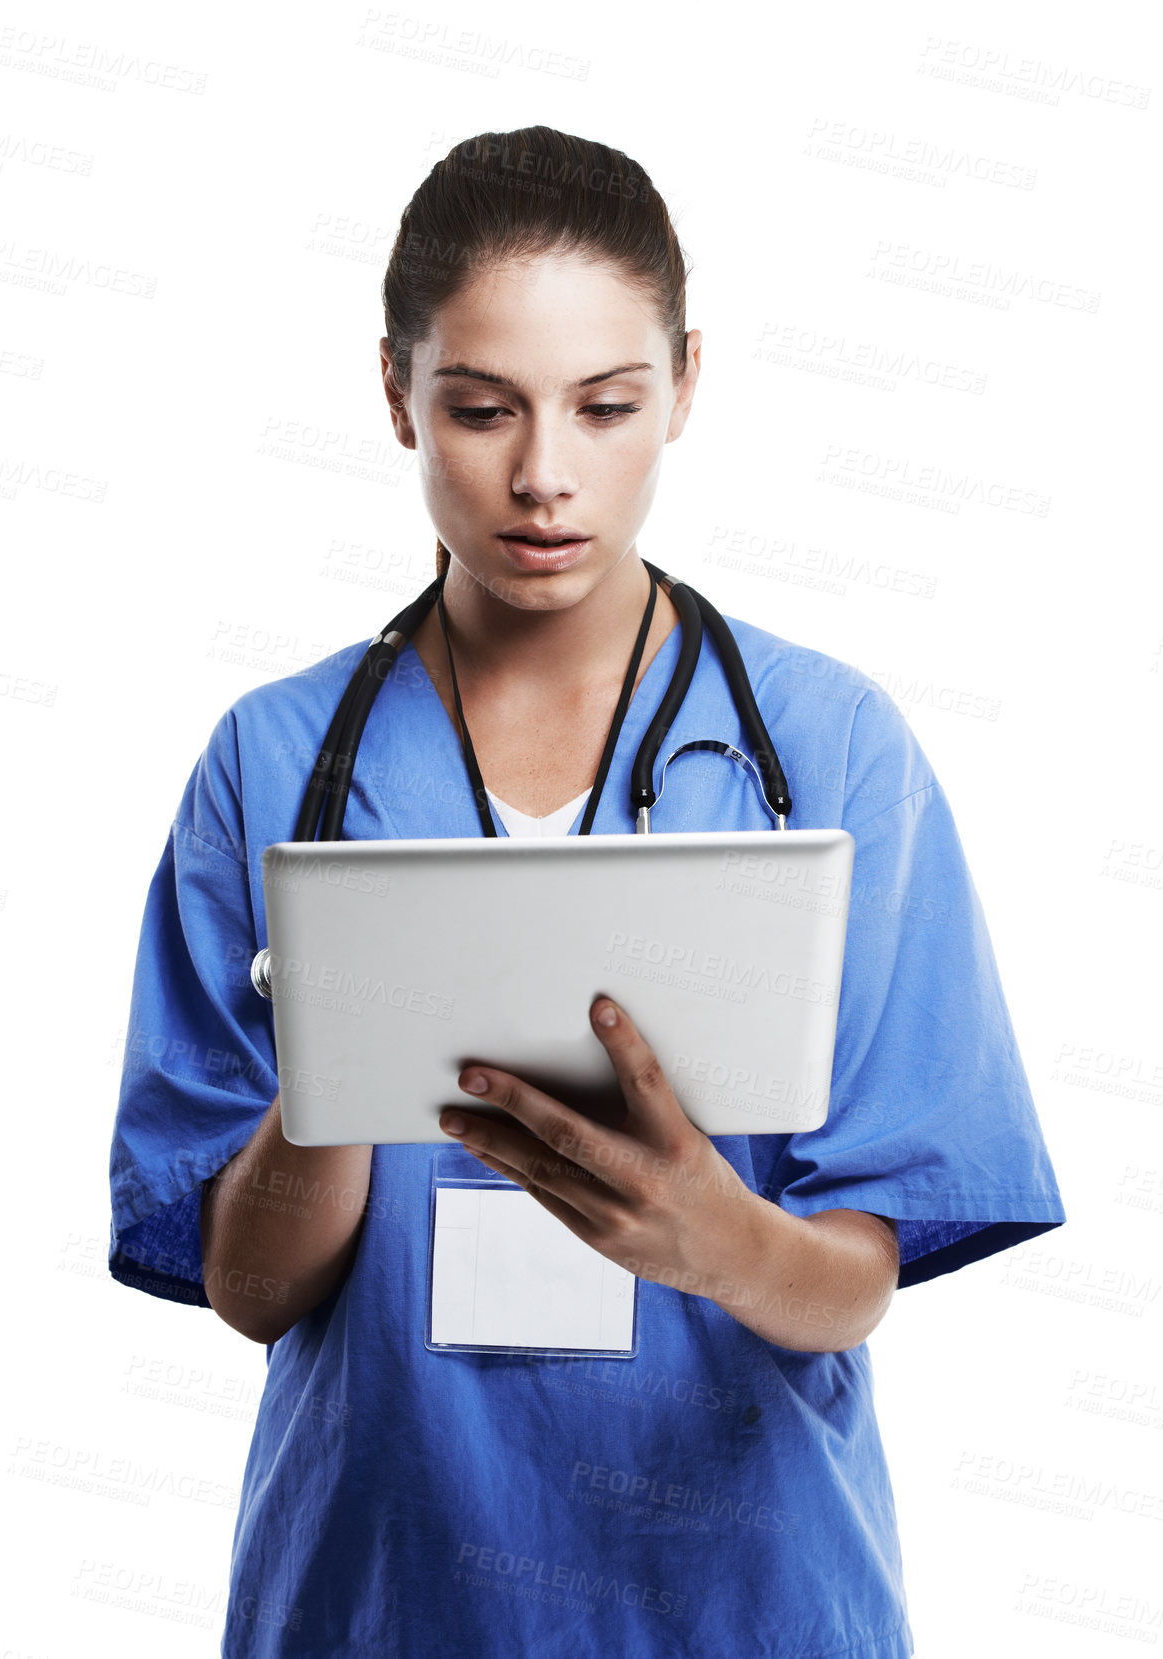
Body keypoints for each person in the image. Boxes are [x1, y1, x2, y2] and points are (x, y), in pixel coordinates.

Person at [107, 125, 1067, 1659]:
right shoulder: (275, 761)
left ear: (684, 383)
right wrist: (342, 1059)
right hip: (378, 1594)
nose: (542, 474)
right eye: (480, 409)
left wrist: (710, 1233)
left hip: (737, 1605)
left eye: (605, 407)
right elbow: (250, 1288)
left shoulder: (826, 751)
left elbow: (856, 1280)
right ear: (393, 393)